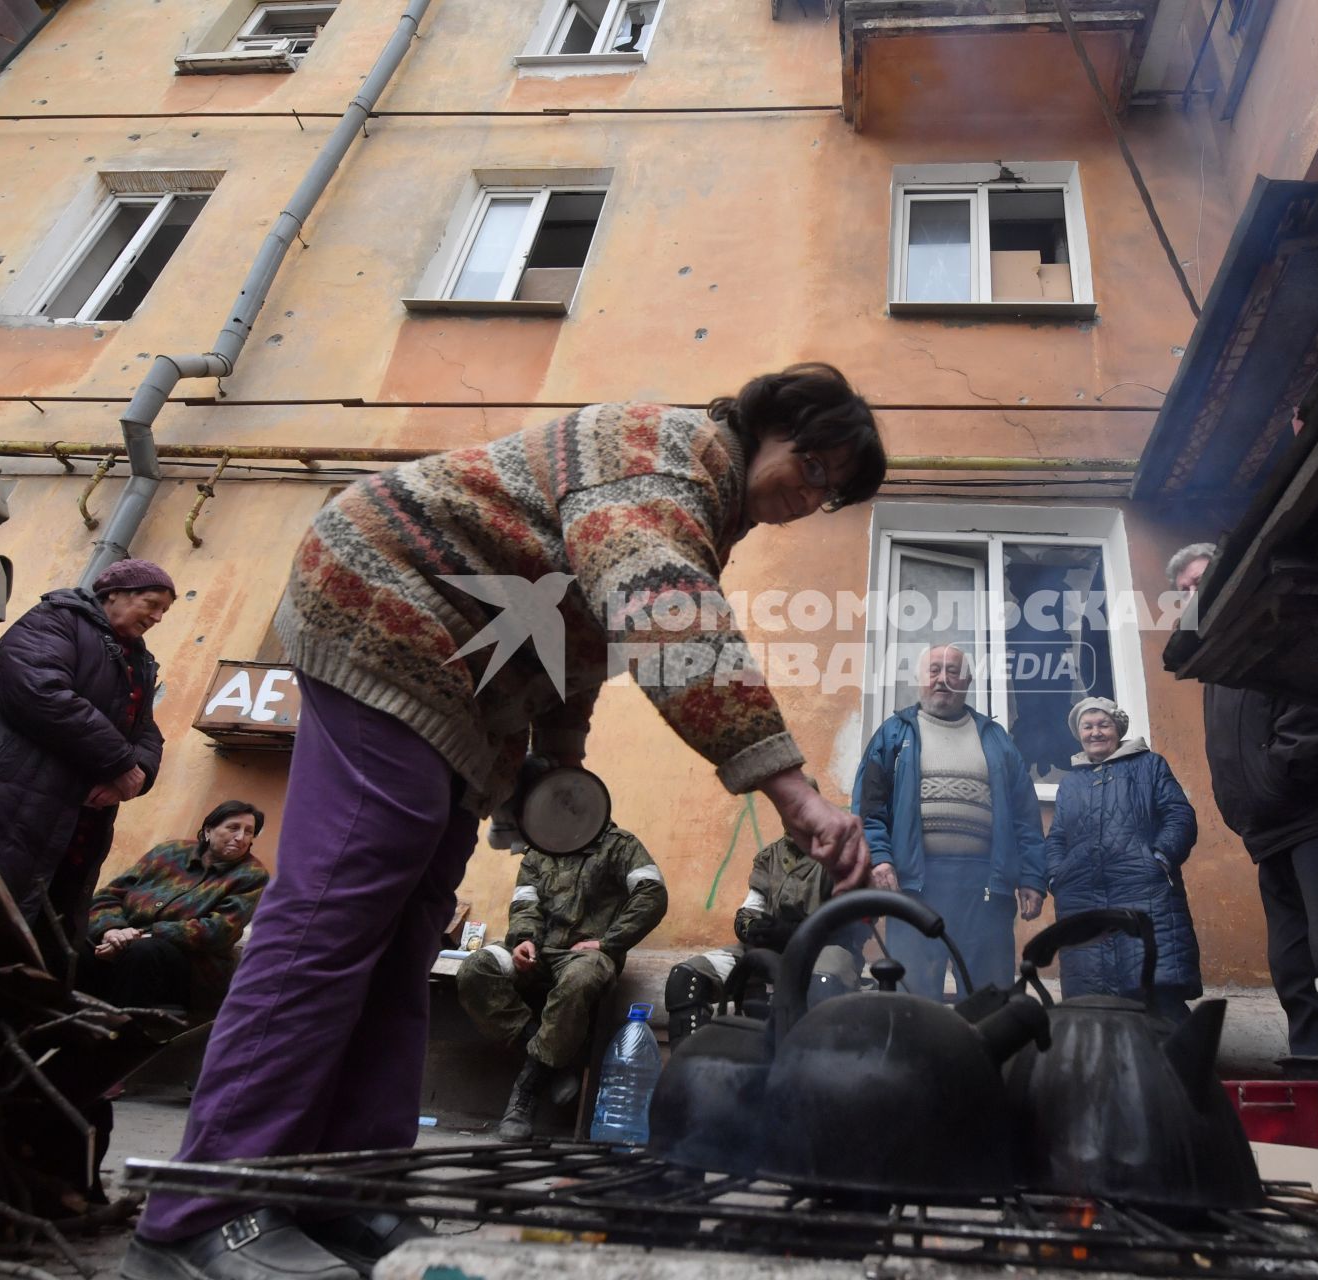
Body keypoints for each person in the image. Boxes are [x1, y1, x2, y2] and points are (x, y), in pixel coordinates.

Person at [125, 364, 884, 1280]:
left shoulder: (701, 503)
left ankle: (349, 1189)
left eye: (832, 490)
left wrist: (560, 765)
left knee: (405, 932)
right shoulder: (668, 454)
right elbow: (667, 615)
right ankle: (204, 1210)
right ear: (770, 424)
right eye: (814, 465)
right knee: (332, 917)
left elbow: (576, 638)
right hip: (392, 601)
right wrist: (794, 792)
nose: (812, 496)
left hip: (457, 673)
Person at [1168, 542, 1318, 1058]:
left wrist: (1274, 780)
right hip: (1269, 833)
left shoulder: (1285, 625)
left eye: (1201, 580)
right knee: (1296, 973)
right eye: (1184, 588)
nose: (1193, 594)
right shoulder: (1217, 664)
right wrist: (1245, 806)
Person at [0, 560, 171, 953]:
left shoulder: (138, 661)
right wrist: (119, 763)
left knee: (29, 936)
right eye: (151, 604)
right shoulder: (54, 620)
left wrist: (135, 773)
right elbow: (39, 690)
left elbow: (147, 732)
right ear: (114, 594)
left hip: (65, 826)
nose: (157, 617)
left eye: (164, 612)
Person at [853, 644, 1047, 1002]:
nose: (943, 679)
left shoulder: (995, 738)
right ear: (919, 680)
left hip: (985, 887)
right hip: (914, 886)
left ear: (968, 681)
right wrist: (879, 858)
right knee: (912, 997)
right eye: (934, 670)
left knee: (989, 998)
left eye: (953, 671)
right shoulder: (894, 734)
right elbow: (869, 809)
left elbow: (1025, 815)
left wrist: (1033, 877)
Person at [456, 821, 667, 1140]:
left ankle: (526, 1090)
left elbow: (652, 893)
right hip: (537, 951)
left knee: (579, 979)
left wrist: (609, 942)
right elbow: (525, 904)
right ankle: (549, 1063)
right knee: (476, 969)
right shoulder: (540, 847)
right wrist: (524, 940)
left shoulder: (619, 845)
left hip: (586, 954)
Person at [666, 779, 864, 1043]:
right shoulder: (769, 857)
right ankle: (692, 1073)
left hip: (824, 951)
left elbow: (853, 925)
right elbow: (750, 910)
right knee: (686, 978)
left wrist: (794, 933)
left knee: (823, 981)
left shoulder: (838, 853)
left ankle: (810, 1073)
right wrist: (752, 930)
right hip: (769, 949)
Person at [1043, 697, 1201, 1025]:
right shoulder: (1070, 783)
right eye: (1087, 726)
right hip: (1083, 901)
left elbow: (1178, 815)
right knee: (1093, 1009)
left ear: (1119, 729)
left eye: (1104, 725)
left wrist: (1159, 858)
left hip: (1147, 896)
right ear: (1078, 733)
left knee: (1160, 1003)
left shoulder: (1150, 765)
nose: (1095, 733)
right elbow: (1057, 837)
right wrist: (1057, 875)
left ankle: (1179, 1073)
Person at [80, 800, 270, 1019]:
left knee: (143, 953)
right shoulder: (170, 852)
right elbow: (109, 895)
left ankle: (118, 1034)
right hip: (124, 937)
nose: (241, 837)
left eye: (249, 832)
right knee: (80, 944)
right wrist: (112, 931)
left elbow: (218, 931)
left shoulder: (252, 875)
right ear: (208, 830)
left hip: (192, 967)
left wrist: (141, 936)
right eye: (233, 827)